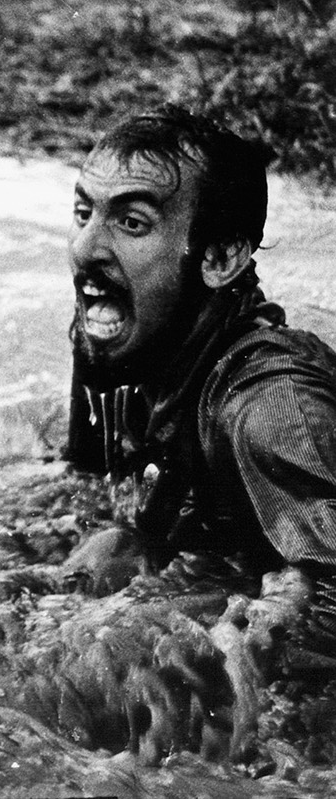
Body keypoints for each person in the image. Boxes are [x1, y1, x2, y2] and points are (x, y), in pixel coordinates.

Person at [45, 104, 336, 756]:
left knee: (91, 666)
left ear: (222, 255)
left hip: (265, 575)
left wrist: (234, 654)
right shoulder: (110, 333)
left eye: (132, 222)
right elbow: (86, 489)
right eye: (83, 212)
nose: (87, 249)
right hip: (203, 542)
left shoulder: (268, 407)